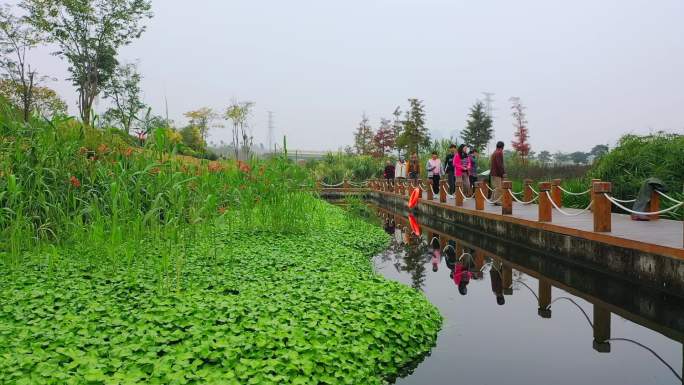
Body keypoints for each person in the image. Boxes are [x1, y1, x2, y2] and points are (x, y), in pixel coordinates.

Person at [490, 141, 506, 206]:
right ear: (502, 147)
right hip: (497, 173)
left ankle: (493, 199)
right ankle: (497, 201)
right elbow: (500, 164)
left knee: (496, 187)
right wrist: (503, 173)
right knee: (499, 188)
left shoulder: (494, 152)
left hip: (494, 173)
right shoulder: (499, 153)